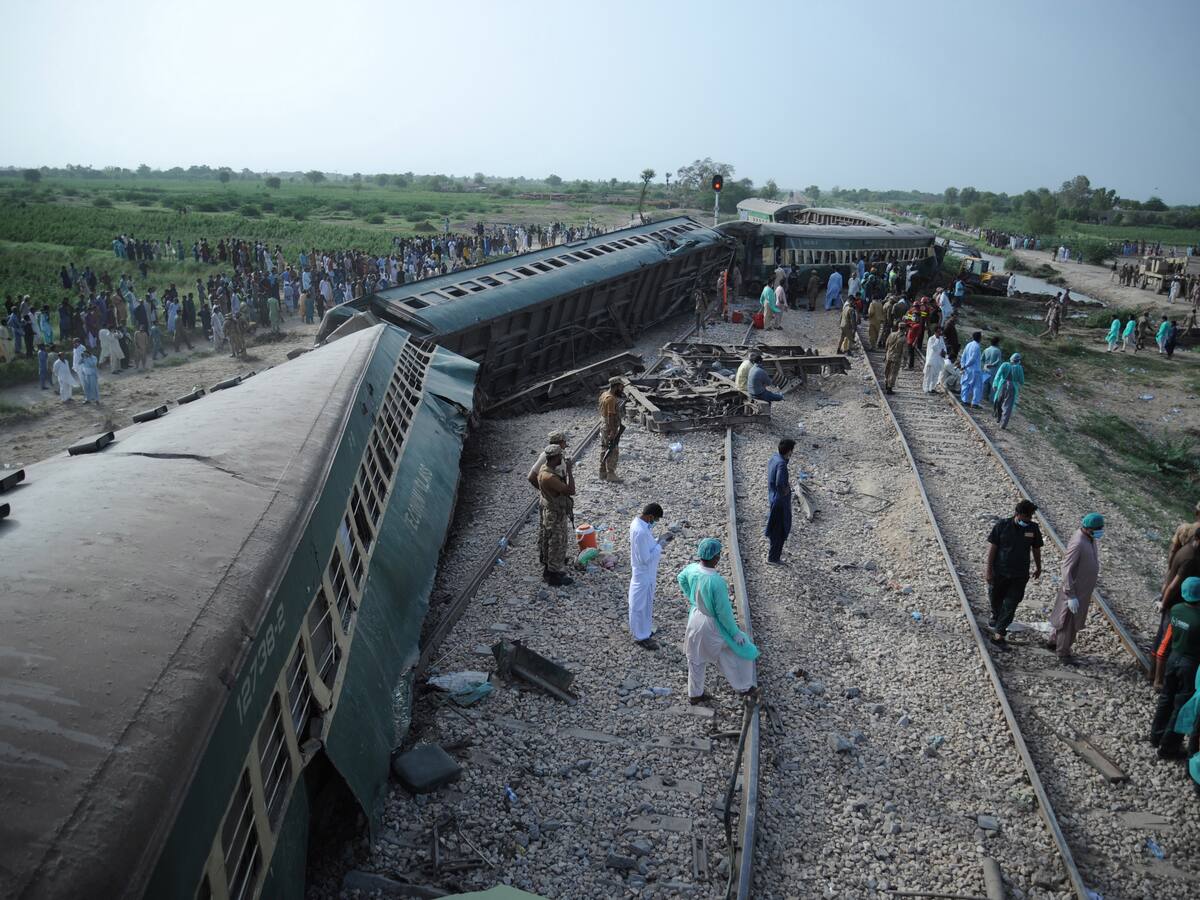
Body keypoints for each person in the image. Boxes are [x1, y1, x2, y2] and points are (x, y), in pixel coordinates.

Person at [677, 539, 759, 704]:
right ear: (715, 558)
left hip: (695, 618)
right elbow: (724, 613)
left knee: (696, 658)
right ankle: (744, 687)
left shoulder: (692, 569)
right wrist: (735, 633)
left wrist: (692, 598)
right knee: (736, 651)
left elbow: (681, 578)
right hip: (711, 624)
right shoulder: (716, 582)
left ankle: (695, 694)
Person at [1150, 577, 1200, 759]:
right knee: (1181, 706)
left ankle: (1155, 736)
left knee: (1166, 698)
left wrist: (1157, 675)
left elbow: (1165, 642)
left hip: (1173, 659)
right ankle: (1168, 747)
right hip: (1190, 666)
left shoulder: (1176, 610)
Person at [985, 499, 1044, 644]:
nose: (1028, 520)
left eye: (1030, 517)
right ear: (1017, 514)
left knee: (1012, 601)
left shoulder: (1033, 528)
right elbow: (993, 549)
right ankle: (996, 615)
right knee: (995, 597)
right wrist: (988, 570)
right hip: (1000, 571)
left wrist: (1038, 567)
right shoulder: (1002, 526)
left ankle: (1000, 632)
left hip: (1020, 573)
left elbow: (1036, 548)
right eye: (1026, 517)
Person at [1048, 513, 1104, 664]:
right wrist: (1071, 595)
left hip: (1082, 591)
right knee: (1068, 623)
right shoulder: (1079, 542)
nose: (1100, 531)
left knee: (1066, 620)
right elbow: (1066, 568)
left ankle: (1054, 641)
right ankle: (1063, 653)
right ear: (1087, 528)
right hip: (1075, 592)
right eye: (1097, 529)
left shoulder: (1089, 538)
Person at [629, 502, 672, 650]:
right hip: (643, 575)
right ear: (649, 516)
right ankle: (640, 637)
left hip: (647, 575)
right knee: (639, 606)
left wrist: (658, 541)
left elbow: (646, 548)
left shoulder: (640, 525)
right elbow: (645, 558)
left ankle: (644, 632)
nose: (655, 522)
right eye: (655, 519)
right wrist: (661, 545)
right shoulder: (640, 532)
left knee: (646, 605)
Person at [538, 444, 576, 587]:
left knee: (551, 540)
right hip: (555, 514)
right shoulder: (549, 477)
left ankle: (549, 570)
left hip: (552, 511)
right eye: (560, 456)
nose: (562, 459)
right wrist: (570, 471)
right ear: (555, 458)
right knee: (556, 542)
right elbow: (571, 490)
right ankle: (553, 576)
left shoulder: (544, 469)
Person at [765, 439, 795, 564]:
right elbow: (779, 483)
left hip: (773, 498)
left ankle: (773, 555)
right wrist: (786, 490)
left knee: (775, 527)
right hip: (780, 502)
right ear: (789, 451)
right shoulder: (781, 464)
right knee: (780, 529)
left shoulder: (774, 458)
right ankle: (773, 558)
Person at [598, 376, 624, 482]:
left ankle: (602, 472)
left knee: (605, 448)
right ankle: (611, 474)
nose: (622, 389)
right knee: (613, 450)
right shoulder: (611, 399)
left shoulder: (604, 394)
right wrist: (613, 431)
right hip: (609, 427)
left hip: (604, 425)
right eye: (621, 386)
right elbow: (610, 416)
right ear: (616, 386)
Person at [990, 352, 1024, 429]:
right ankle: (1003, 424)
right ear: (1018, 360)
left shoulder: (1005, 365)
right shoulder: (1019, 368)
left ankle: (998, 417)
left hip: (1002, 384)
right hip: (1013, 387)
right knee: (1008, 406)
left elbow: (998, 375)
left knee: (998, 401)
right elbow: (1022, 381)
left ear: (1011, 359)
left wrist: (995, 384)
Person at [959, 331, 984, 407]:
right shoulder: (977, 346)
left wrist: (963, 365)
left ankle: (964, 400)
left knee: (965, 384)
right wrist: (966, 365)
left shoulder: (968, 345)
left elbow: (963, 356)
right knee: (977, 386)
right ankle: (975, 403)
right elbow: (973, 359)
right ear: (979, 338)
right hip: (975, 370)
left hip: (967, 369)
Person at [923, 326, 947, 393]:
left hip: (939, 360)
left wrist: (944, 351)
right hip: (932, 360)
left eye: (940, 332)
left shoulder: (941, 339)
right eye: (938, 332)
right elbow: (934, 348)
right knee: (929, 375)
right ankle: (926, 388)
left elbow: (944, 347)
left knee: (936, 375)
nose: (940, 333)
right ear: (935, 332)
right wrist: (937, 339)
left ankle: (932, 388)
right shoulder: (931, 339)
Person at [883, 322, 905, 394]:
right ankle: (889, 388)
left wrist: (885, 354)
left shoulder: (892, 334)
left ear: (898, 327)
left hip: (888, 355)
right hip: (896, 358)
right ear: (904, 329)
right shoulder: (904, 338)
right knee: (893, 373)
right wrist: (905, 361)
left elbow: (886, 344)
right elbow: (905, 351)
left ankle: (886, 383)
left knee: (887, 371)